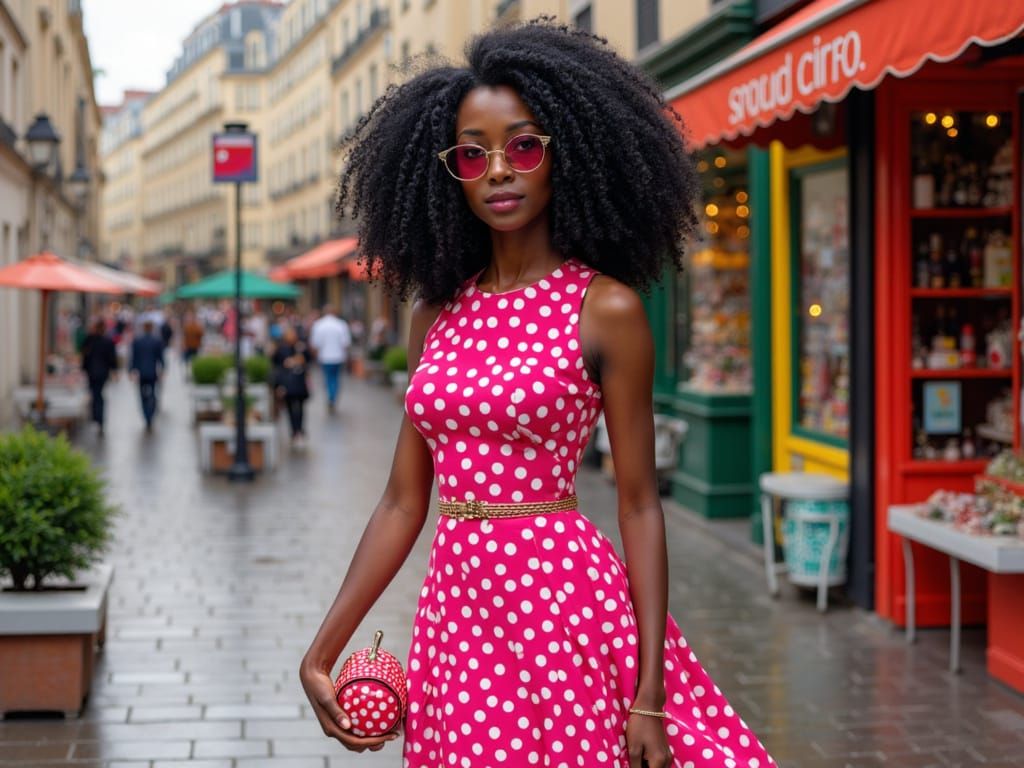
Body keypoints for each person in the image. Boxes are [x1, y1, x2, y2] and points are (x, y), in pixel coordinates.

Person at [299, 20, 776, 768]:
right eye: (473, 154)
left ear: (565, 155)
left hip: (562, 608)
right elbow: (401, 501)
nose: (499, 171)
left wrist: (649, 694)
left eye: (523, 147)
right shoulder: (435, 313)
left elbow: (639, 504)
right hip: (455, 615)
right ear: (450, 173)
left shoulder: (606, 309)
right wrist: (321, 652)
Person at [272, 326, 311, 449]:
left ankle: (298, 430)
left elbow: (308, 359)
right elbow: (277, 366)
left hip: (299, 383)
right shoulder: (281, 350)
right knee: (291, 409)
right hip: (288, 384)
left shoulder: (300, 347)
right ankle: (295, 431)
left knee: (299, 408)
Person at [309, 304, 352, 412]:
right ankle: (332, 397)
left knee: (328, 378)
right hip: (338, 357)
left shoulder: (319, 324)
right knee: (335, 378)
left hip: (325, 357)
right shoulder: (341, 324)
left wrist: (315, 356)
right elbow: (346, 343)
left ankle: (330, 396)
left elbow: (315, 344)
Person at [80, 319, 118, 436]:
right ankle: (99, 417)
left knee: (96, 393)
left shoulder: (90, 340)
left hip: (92, 372)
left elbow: (84, 354)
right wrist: (114, 370)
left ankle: (97, 416)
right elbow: (112, 358)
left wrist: (84, 368)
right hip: (102, 372)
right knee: (98, 394)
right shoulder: (106, 341)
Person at [130, 320, 165, 432]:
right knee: (153, 393)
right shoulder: (156, 341)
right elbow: (161, 358)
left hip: (142, 372)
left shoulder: (137, 341)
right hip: (152, 372)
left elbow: (133, 358)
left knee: (142, 395)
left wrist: (132, 371)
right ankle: (150, 414)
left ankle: (146, 415)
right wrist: (163, 369)